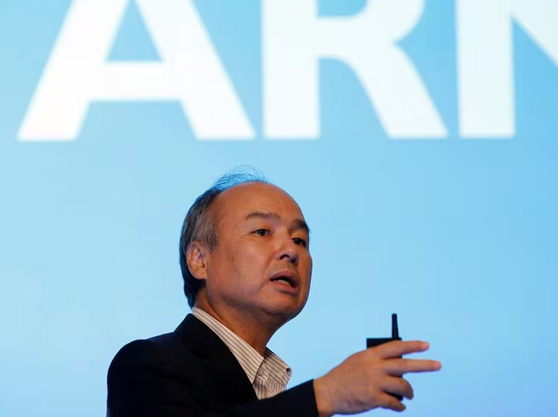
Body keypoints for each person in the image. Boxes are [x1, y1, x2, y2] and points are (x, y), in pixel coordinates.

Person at [107, 171, 441, 416]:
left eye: (300, 240)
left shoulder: (278, 393)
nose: (290, 251)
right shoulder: (148, 364)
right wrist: (324, 395)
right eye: (262, 231)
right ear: (199, 259)